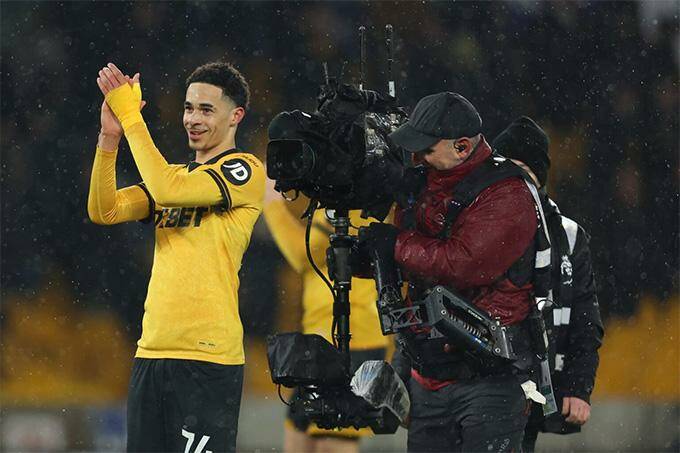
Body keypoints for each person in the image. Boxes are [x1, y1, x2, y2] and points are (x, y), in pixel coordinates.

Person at [88, 61, 264, 452]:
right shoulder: (173, 176)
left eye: (206, 110)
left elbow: (168, 190)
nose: (193, 119)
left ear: (236, 116)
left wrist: (132, 117)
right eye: (188, 108)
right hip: (151, 351)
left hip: (207, 359)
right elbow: (105, 210)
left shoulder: (245, 170)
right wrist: (109, 138)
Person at [359, 92, 547, 452]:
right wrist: (369, 257)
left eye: (426, 150)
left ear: (462, 147)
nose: (416, 159)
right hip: (428, 375)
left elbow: (460, 265)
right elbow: (417, 265)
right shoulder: (424, 185)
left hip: (490, 380)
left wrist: (394, 244)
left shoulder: (507, 193)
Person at [492, 116, 604, 452]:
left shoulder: (568, 237)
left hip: (528, 383)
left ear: (539, 180)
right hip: (473, 383)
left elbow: (585, 319)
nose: (513, 182)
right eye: (504, 169)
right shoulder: (468, 225)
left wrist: (578, 387)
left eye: (522, 172)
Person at [263, 179, 388, 453]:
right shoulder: (336, 196)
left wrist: (271, 203)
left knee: (333, 438)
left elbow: (302, 254)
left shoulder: (356, 199)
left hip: (353, 338)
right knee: (299, 433)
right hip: (323, 337)